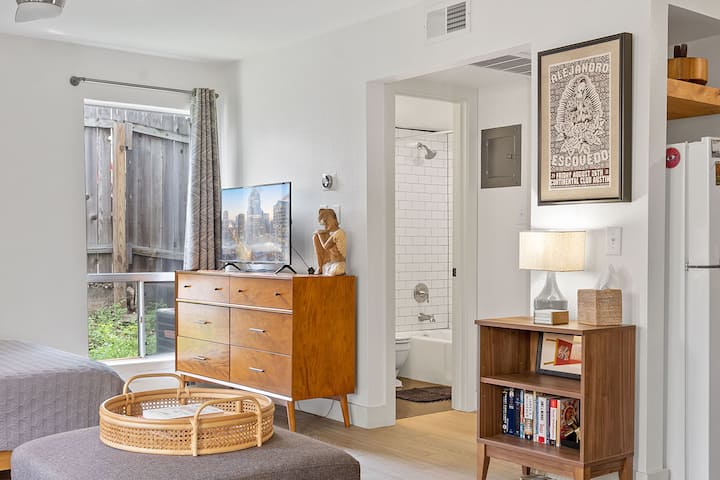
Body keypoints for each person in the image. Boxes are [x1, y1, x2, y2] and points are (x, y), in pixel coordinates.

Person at [313, 208, 346, 275]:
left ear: (333, 220)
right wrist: (321, 233)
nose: (325, 226)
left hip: (338, 265)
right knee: (315, 237)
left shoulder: (339, 233)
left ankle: (322, 268)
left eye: (326, 223)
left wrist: (320, 233)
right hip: (332, 264)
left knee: (317, 236)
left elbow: (325, 246)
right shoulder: (333, 234)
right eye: (324, 224)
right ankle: (320, 267)